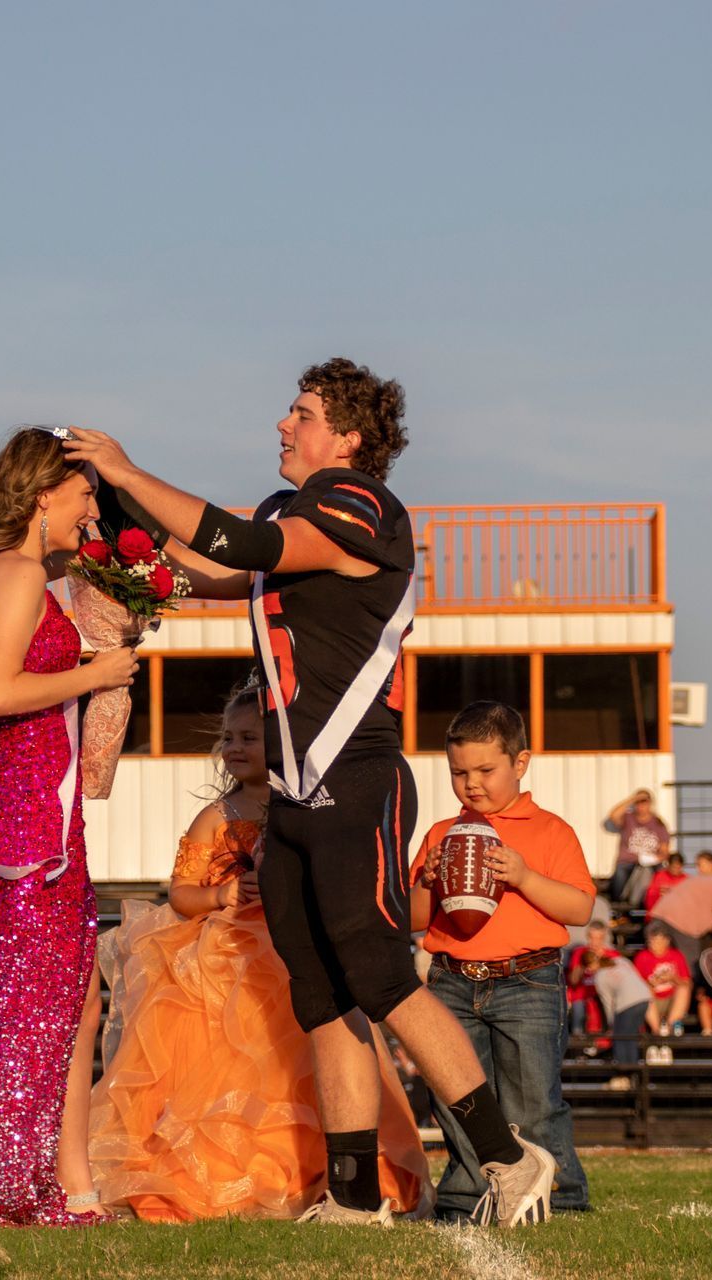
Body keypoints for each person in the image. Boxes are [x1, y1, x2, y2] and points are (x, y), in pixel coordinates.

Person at [66, 360, 558, 1229]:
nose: (282, 426)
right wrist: (119, 547)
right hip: (297, 790)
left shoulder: (358, 504)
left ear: (349, 436)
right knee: (320, 993)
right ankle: (354, 1194)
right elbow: (208, 569)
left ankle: (510, 1158)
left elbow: (242, 547)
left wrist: (128, 472)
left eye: (300, 413)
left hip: (356, 772)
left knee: (373, 968)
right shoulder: (289, 516)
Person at [88, 686, 432, 1221]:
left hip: (295, 947)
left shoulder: (305, 809)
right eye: (229, 737)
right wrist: (220, 895)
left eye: (250, 737)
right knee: (221, 1068)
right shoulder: (216, 815)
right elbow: (180, 892)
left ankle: (323, 1171)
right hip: (225, 961)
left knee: (303, 1057)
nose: (234, 747)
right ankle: (218, 1180)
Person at [0, 427, 138, 1227]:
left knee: (65, 999)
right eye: (84, 494)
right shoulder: (15, 573)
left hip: (44, 807)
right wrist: (97, 671)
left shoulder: (30, 576)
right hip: (26, 818)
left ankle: (40, 1184)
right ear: (45, 492)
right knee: (29, 1003)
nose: (92, 509)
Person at [411, 701, 594, 1221]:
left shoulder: (550, 830)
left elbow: (579, 907)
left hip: (527, 980)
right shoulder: (441, 833)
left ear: (521, 762)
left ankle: (561, 1197)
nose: (472, 784)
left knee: (533, 1100)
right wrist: (428, 884)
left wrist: (524, 876)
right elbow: (412, 919)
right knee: (457, 1099)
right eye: (458, 772)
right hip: (452, 980)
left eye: (486, 770)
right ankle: (466, 1196)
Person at [650, 850, 712, 976]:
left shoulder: (698, 880)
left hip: (658, 917)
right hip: (682, 927)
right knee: (690, 969)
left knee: (657, 964)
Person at [580, 952, 651, 1091]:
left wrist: (612, 1025)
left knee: (620, 1039)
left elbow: (608, 1003)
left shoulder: (600, 976)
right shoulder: (620, 960)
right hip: (644, 997)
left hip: (626, 1003)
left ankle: (624, 1075)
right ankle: (634, 1076)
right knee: (631, 1038)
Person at [604, 789, 670, 907]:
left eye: (644, 802)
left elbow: (665, 851)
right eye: (638, 802)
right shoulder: (628, 818)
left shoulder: (659, 824)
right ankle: (618, 903)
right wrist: (633, 798)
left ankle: (647, 903)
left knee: (658, 875)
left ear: (650, 804)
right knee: (620, 874)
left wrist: (653, 858)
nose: (641, 806)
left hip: (650, 863)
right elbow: (613, 815)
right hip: (627, 861)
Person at [634, 921, 692, 1036]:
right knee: (645, 991)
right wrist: (651, 983)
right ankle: (657, 1031)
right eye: (651, 941)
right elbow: (636, 985)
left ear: (666, 941)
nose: (654, 945)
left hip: (671, 999)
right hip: (653, 999)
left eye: (658, 941)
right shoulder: (642, 957)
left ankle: (669, 1028)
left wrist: (673, 977)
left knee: (683, 989)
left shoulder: (676, 956)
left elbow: (687, 983)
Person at [566, 921, 619, 1038]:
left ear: (604, 938)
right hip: (581, 995)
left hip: (604, 995)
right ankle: (578, 1042)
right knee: (578, 1009)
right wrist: (583, 963)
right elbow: (573, 981)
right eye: (591, 937)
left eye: (599, 938)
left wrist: (602, 963)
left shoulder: (612, 955)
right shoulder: (579, 952)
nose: (594, 942)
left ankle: (608, 1041)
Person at [643, 852, 687, 920]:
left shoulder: (686, 880)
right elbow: (650, 896)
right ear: (668, 865)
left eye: (678, 867)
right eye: (673, 867)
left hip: (679, 916)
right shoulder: (659, 876)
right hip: (660, 914)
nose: (676, 870)